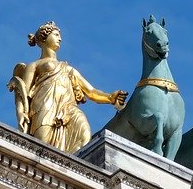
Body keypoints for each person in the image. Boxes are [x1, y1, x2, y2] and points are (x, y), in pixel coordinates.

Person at [8, 21, 127, 154]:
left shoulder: (68, 69)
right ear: (44, 37)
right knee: (42, 146)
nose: (60, 38)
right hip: (45, 107)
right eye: (56, 34)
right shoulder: (34, 65)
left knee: (84, 136)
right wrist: (21, 112)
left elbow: (91, 92)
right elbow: (22, 91)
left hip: (69, 109)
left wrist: (110, 97)